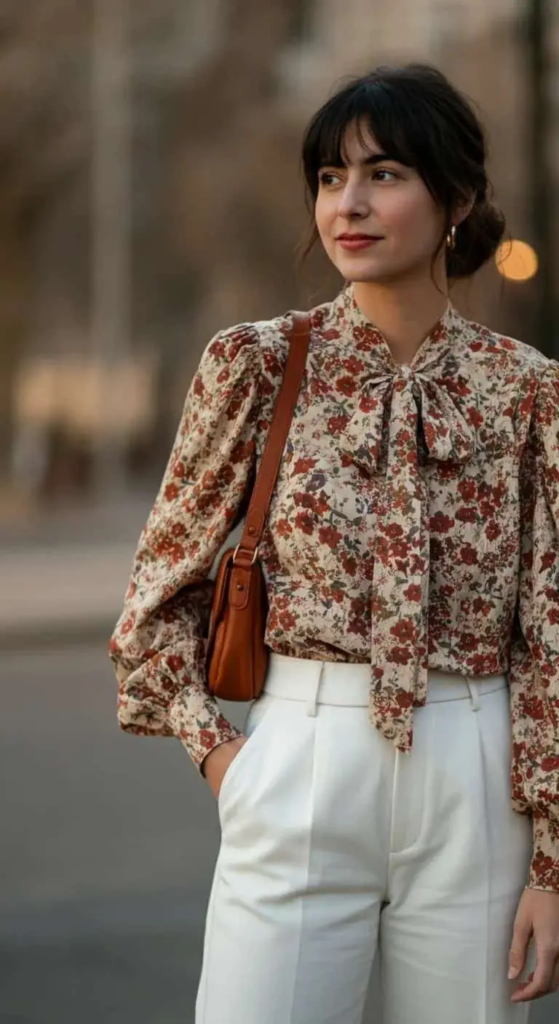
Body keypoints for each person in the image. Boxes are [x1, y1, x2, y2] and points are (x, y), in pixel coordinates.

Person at [109, 63, 559, 1023]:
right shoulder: (256, 363)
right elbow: (157, 597)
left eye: (384, 174)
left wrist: (551, 866)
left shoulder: (528, 391)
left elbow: (550, 636)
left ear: (458, 198)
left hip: (478, 783)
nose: (347, 204)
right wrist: (228, 765)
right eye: (327, 178)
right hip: (299, 760)